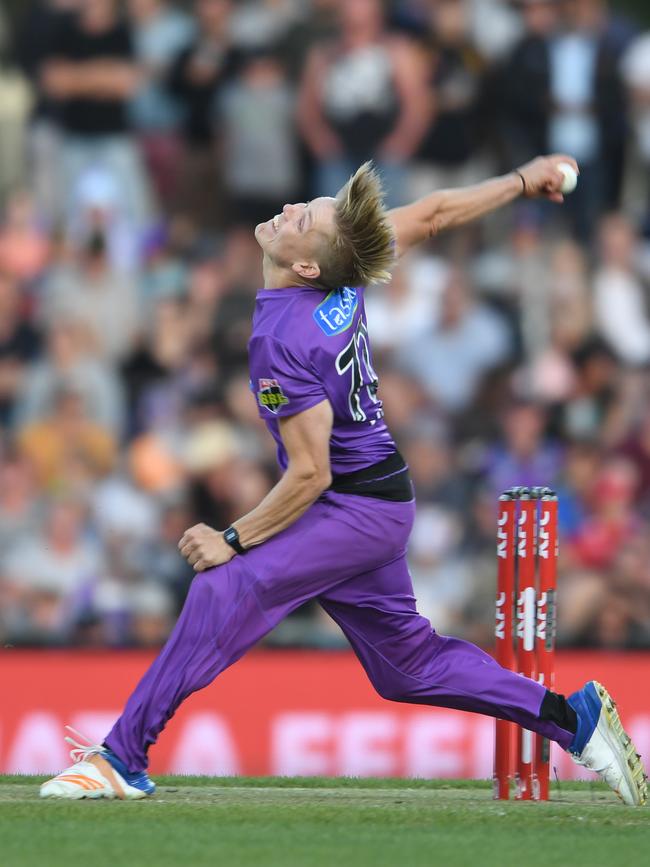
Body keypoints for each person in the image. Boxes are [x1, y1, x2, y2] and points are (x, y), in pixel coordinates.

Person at [40, 154, 647, 806]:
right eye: (308, 205)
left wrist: (234, 538)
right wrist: (525, 180)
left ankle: (121, 756)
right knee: (406, 668)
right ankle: (575, 718)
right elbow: (437, 212)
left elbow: (309, 472)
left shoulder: (283, 336)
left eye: (304, 217)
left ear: (306, 265)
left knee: (224, 585)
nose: (290, 209)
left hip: (352, 507)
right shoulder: (344, 264)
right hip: (375, 498)